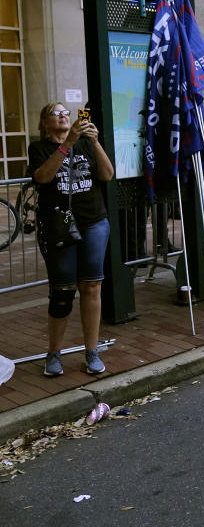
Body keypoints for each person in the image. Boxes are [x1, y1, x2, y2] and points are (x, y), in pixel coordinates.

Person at [27, 102, 116, 377]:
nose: (64, 116)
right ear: (44, 123)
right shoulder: (39, 148)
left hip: (93, 222)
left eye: (67, 112)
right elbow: (42, 177)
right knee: (63, 291)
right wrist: (67, 144)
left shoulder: (86, 143)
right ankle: (54, 353)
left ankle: (91, 351)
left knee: (92, 286)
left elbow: (107, 174)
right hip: (59, 226)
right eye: (56, 113)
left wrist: (95, 141)